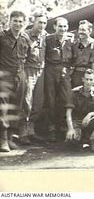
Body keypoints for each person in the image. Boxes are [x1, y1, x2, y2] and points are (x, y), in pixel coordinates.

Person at [0, 10, 30, 152]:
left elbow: (28, 56)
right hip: (4, 75)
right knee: (3, 108)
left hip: (20, 75)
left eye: (20, 21)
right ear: (10, 21)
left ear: (24, 23)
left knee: (17, 106)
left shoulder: (24, 38)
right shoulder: (2, 37)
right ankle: (3, 139)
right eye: (15, 21)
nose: (18, 24)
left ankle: (11, 137)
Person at [44, 17, 74, 142]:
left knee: (67, 99)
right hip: (51, 70)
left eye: (65, 26)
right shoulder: (48, 39)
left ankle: (63, 127)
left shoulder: (70, 40)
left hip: (65, 71)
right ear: (54, 27)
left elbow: (73, 57)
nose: (63, 29)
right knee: (50, 100)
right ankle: (51, 129)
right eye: (60, 26)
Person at [20, 12, 48, 144]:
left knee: (38, 101)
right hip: (28, 69)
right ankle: (22, 132)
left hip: (41, 71)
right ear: (34, 22)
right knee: (26, 101)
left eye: (44, 23)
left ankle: (31, 130)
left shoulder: (45, 35)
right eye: (39, 22)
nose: (42, 25)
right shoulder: (25, 35)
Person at [65, 69, 94, 152]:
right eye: (87, 79)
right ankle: (81, 139)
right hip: (77, 121)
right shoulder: (74, 92)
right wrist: (70, 128)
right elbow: (68, 112)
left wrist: (90, 114)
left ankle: (93, 140)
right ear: (83, 80)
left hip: (90, 120)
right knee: (72, 140)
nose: (88, 82)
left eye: (91, 80)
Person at [71, 20, 94, 88]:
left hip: (90, 75)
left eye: (83, 30)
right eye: (80, 30)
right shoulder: (74, 44)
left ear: (90, 31)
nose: (81, 32)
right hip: (77, 74)